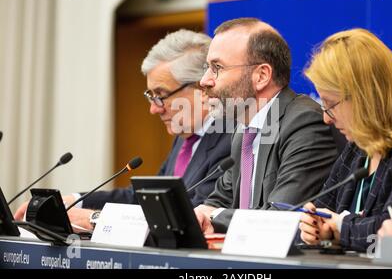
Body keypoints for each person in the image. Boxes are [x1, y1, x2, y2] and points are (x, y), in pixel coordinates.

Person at [14, 29, 232, 231]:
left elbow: (186, 217)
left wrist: (92, 219)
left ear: (201, 88)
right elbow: (142, 199)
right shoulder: (185, 139)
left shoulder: (231, 140)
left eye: (161, 95)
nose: (153, 109)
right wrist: (75, 200)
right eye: (151, 96)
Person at [299, 28, 392, 252]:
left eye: (330, 104)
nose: (326, 118)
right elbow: (322, 214)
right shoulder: (356, 151)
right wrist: (313, 227)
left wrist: (339, 226)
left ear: (364, 98)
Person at [194, 17, 340, 234]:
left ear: (261, 76)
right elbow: (217, 201)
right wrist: (203, 213)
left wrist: (213, 215)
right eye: (208, 67)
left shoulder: (305, 123)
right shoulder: (243, 131)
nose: (204, 80)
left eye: (217, 67)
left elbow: (279, 218)